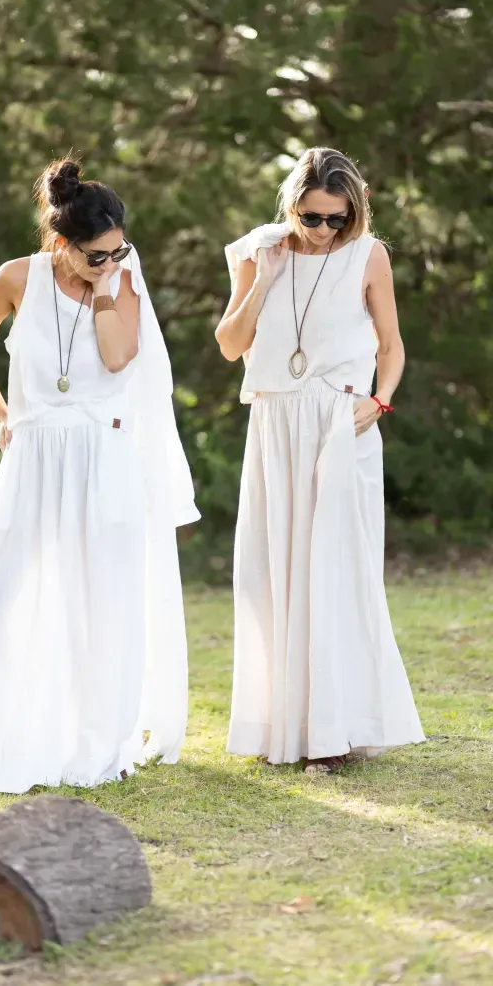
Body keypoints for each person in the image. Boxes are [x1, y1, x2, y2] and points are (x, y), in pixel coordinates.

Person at [0, 158, 199, 793]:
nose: (111, 262)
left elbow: (120, 359)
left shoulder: (122, 285)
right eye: (96, 255)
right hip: (35, 458)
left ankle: (93, 743)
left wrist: (107, 289)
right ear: (60, 244)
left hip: (104, 457)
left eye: (120, 250)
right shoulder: (16, 278)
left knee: (103, 605)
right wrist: (4, 413)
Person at [215, 147, 425, 774]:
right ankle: (286, 724)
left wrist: (380, 401)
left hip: (341, 421)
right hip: (275, 422)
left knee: (333, 570)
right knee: (272, 571)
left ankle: (334, 731)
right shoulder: (259, 251)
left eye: (338, 218)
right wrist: (264, 280)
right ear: (292, 206)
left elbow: (391, 347)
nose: (326, 230)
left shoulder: (370, 255)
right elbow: (231, 346)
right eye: (313, 217)